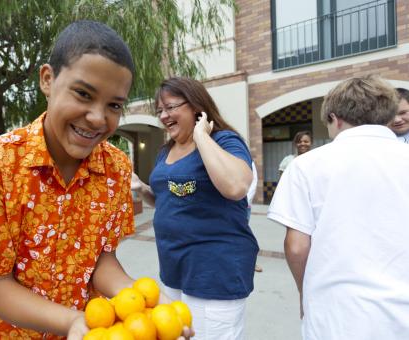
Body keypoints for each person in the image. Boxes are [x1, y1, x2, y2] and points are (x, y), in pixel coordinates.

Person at [0, 21, 191, 340]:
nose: (98, 117)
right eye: (83, 94)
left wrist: (143, 305)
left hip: (87, 329)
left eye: (114, 105)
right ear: (47, 79)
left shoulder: (116, 168)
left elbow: (102, 261)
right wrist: (72, 322)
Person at [268, 75, 409, 340]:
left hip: (336, 315)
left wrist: (304, 293)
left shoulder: (306, 166)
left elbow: (297, 247)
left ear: (335, 118)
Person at [132, 77, 259, 340]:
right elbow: (170, 200)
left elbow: (236, 187)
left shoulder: (224, 140)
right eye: (160, 111)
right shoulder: (166, 150)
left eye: (170, 107)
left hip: (214, 272)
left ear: (195, 106)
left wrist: (201, 136)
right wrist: (142, 188)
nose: (164, 116)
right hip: (174, 269)